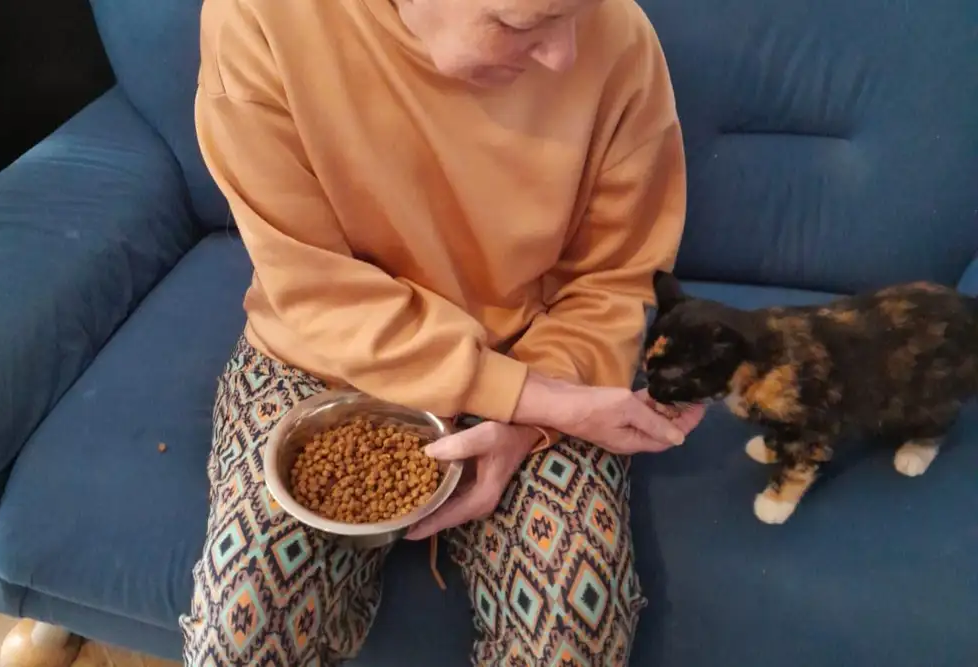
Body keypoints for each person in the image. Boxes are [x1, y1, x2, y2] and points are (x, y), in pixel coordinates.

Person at [182, 0, 707, 664]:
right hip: (322, 358)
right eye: (519, 25)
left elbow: (615, 278)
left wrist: (529, 418)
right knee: (240, 634)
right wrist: (538, 400)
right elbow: (314, 285)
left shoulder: (621, 38)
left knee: (571, 632)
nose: (566, 56)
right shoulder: (259, 19)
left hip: (537, 349)